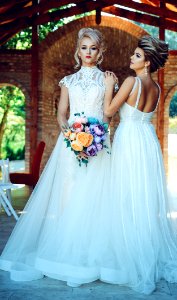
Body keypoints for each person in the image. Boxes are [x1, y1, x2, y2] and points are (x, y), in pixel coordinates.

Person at [0, 28, 115, 287]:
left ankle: (90, 244)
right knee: (68, 190)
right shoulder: (68, 81)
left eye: (93, 48)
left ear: (100, 52)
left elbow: (108, 115)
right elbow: (62, 113)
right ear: (78, 50)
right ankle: (65, 243)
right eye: (84, 47)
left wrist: (97, 139)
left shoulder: (107, 80)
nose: (88, 52)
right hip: (71, 143)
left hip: (97, 142)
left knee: (96, 191)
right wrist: (72, 135)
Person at [103, 35, 177, 294]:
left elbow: (109, 111)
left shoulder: (130, 81)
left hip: (130, 139)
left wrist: (108, 87)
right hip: (147, 141)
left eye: (136, 56)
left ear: (146, 62)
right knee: (143, 196)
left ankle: (129, 250)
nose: (130, 58)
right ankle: (145, 245)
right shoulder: (155, 88)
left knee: (126, 193)